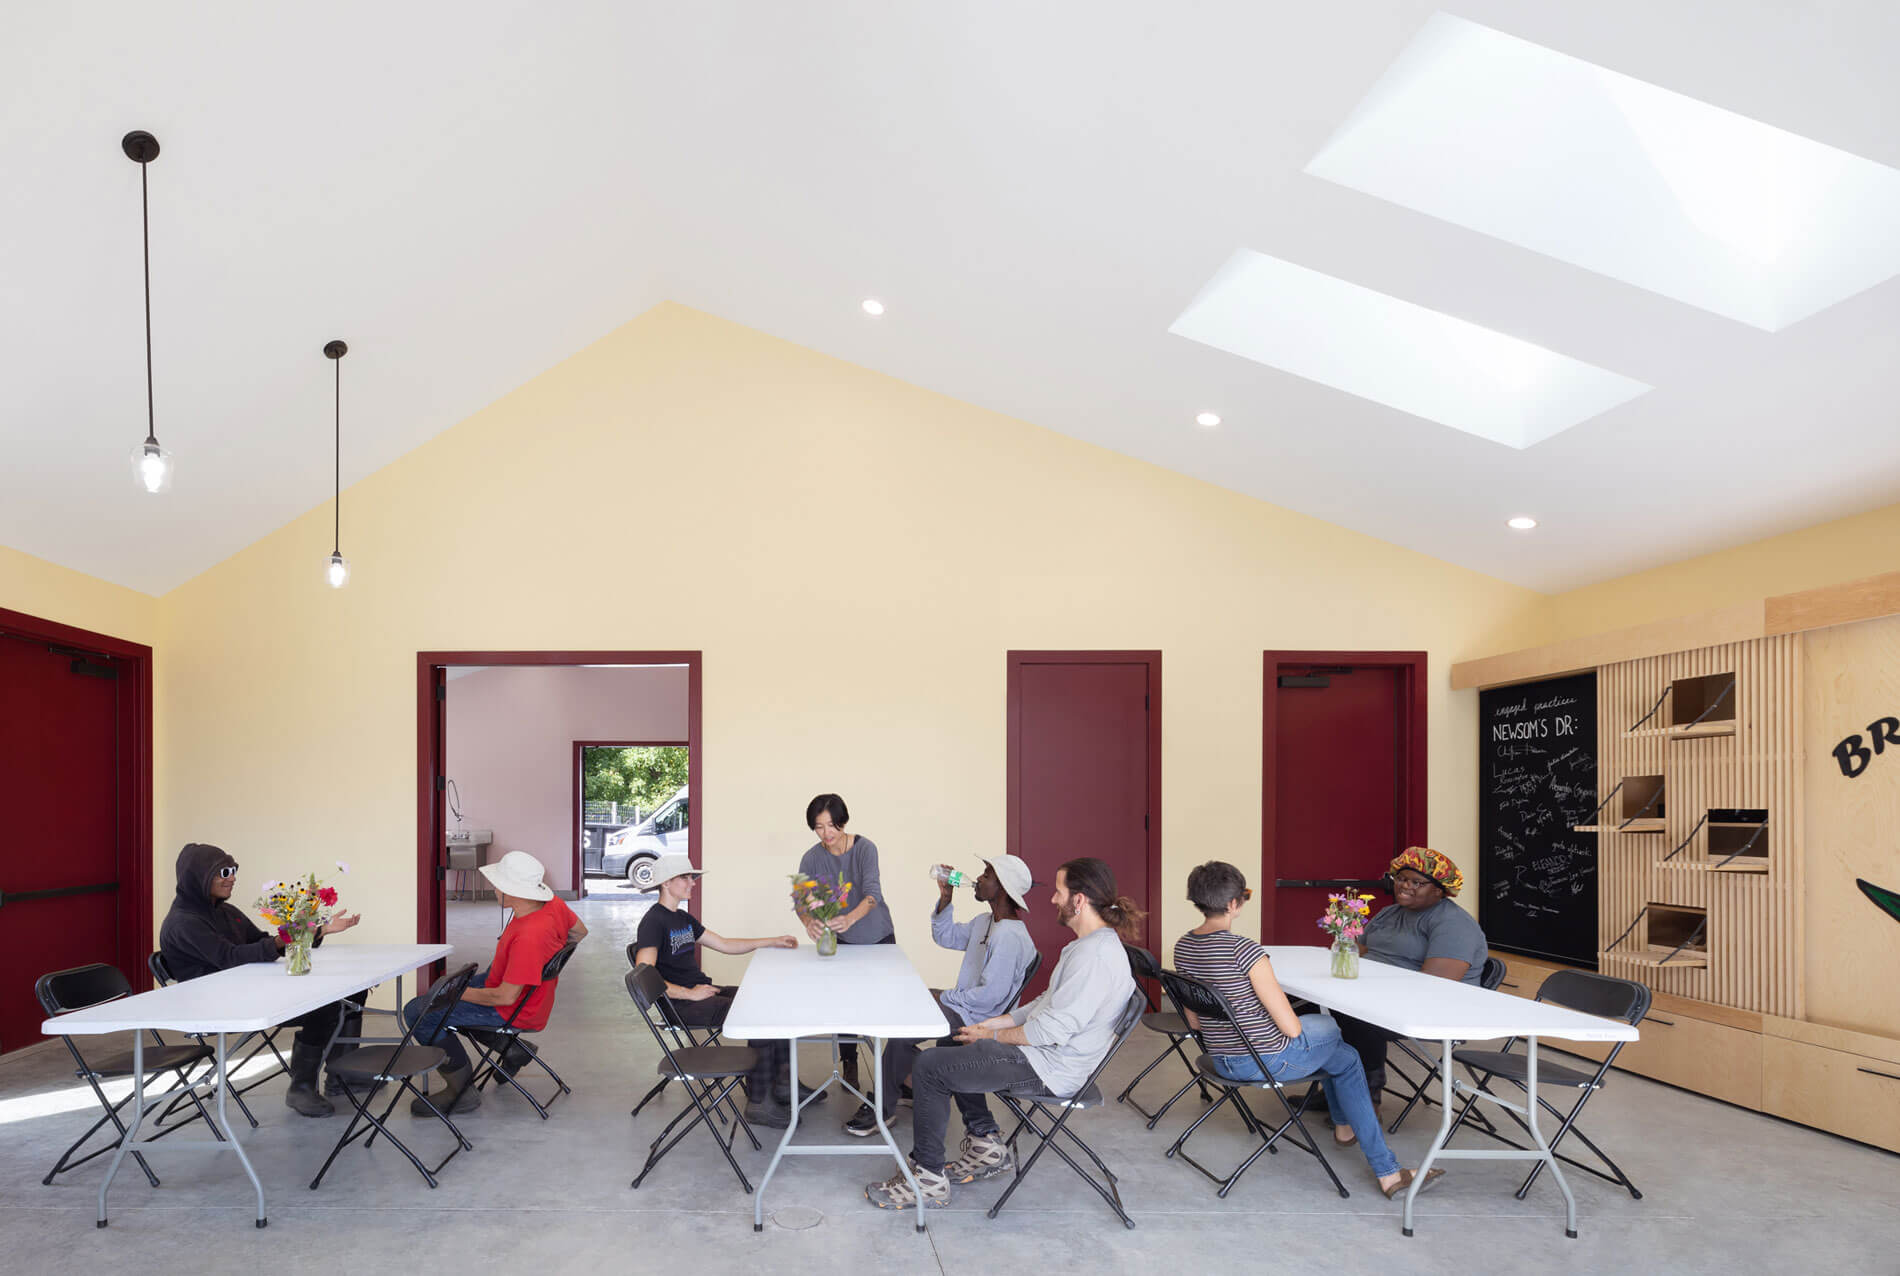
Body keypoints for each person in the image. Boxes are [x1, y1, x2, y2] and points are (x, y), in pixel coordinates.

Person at [864, 857, 1137, 1212]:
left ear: (1079, 900)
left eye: (1059, 892)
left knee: (932, 1066)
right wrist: (989, 1026)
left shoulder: (1095, 956)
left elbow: (1048, 1029)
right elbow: (1042, 1004)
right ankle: (984, 1145)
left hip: (1051, 1067)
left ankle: (928, 1180)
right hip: (1046, 1054)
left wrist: (989, 1039)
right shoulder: (1085, 947)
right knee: (956, 1044)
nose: (1053, 900)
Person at [1172, 860, 1441, 1199]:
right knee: (1331, 1030)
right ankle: (1385, 1170)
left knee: (1343, 1058)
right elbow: (1291, 1028)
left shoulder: (1183, 947)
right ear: (1233, 904)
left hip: (1219, 1058)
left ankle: (1352, 1136)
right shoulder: (1245, 952)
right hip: (1264, 1061)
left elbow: (1194, 1021)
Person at [159, 842, 362, 1117]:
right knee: (323, 1006)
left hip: (247, 990)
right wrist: (288, 937)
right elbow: (231, 957)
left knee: (351, 992)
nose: (232, 877)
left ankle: (342, 1075)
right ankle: (301, 1088)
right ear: (198, 876)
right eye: (224, 872)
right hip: (218, 1005)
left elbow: (263, 942)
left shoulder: (225, 911)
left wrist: (317, 929)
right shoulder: (184, 923)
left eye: (233, 870)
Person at [845, 854, 1037, 1137]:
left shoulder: (1009, 936)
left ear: (1004, 888)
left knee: (904, 1030)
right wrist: (946, 897)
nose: (980, 879)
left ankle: (881, 1111)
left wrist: (943, 996)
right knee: (905, 1022)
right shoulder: (985, 921)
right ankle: (907, 1086)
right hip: (965, 1008)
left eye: (987, 875)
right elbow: (945, 937)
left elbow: (990, 997)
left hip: (981, 1018)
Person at [401, 850, 587, 1115]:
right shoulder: (553, 904)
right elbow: (580, 932)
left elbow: (504, 997)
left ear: (513, 891)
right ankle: (511, 1050)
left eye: (498, 883)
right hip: (525, 994)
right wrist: (547, 963)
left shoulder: (529, 937)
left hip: (514, 1009)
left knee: (420, 1011)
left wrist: (457, 994)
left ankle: (461, 1092)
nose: (493, 887)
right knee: (438, 994)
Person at [631, 853, 801, 1128]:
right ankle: (759, 1102)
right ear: (665, 883)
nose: (692, 883)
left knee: (769, 1001)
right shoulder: (653, 922)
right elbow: (644, 975)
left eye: (692, 877)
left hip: (701, 993)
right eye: (685, 877)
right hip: (682, 1005)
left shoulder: (683, 918)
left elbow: (724, 943)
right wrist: (688, 994)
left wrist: (772, 941)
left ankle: (782, 1082)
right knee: (755, 1013)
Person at [1333, 847, 1488, 1107]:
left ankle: (1366, 1099)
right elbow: (1357, 951)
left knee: (1352, 1014)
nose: (1405, 886)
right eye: (1402, 879)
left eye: (1417, 882)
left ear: (1440, 890)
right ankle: (1334, 1091)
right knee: (1310, 1007)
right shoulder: (1389, 913)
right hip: (1376, 993)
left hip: (1433, 1007)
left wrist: (1367, 989)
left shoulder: (1453, 924)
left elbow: (1434, 986)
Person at [791, 793, 894, 1095]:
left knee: (881, 1006)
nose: (827, 833)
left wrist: (850, 918)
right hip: (843, 941)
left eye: (832, 825)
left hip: (878, 938)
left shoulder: (865, 849)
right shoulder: (811, 857)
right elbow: (800, 899)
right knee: (846, 1007)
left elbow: (873, 894)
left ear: (843, 822)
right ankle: (850, 1064)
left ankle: (892, 1074)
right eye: (819, 827)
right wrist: (808, 922)